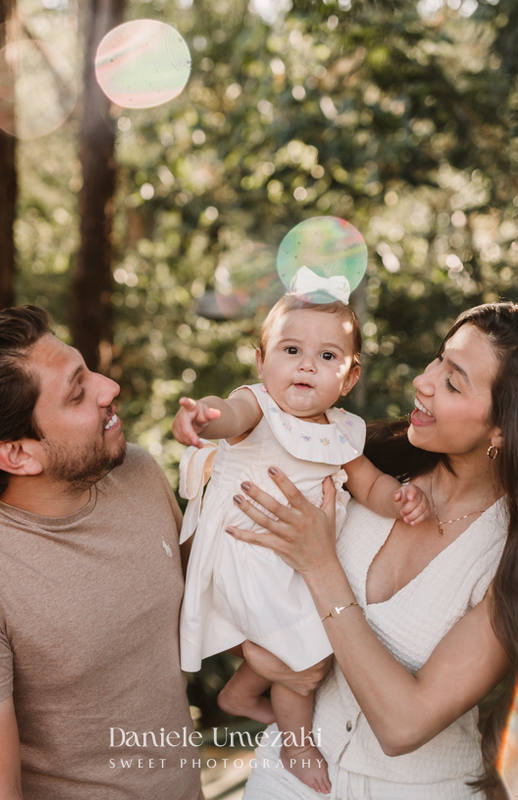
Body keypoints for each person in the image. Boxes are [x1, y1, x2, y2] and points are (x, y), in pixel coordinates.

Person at [227, 302, 518, 798]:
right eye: (439, 360)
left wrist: (319, 564)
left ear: (506, 428)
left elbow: (403, 726)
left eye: (453, 382)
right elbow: (232, 567)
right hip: (289, 772)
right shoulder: (358, 462)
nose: (424, 380)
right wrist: (253, 654)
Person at [0, 306, 204, 800]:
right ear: (17, 454)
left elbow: (213, 603)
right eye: (79, 392)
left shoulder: (136, 472)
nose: (110, 388)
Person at [172, 292, 429, 794]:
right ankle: (297, 743)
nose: (306, 365)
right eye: (290, 350)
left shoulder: (341, 432)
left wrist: (401, 498)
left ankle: (240, 695)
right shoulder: (258, 405)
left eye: (327, 356)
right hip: (246, 552)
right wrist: (205, 416)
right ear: (261, 360)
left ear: (349, 377)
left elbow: (371, 485)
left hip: (294, 562)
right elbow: (229, 413)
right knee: (305, 655)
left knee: (305, 633)